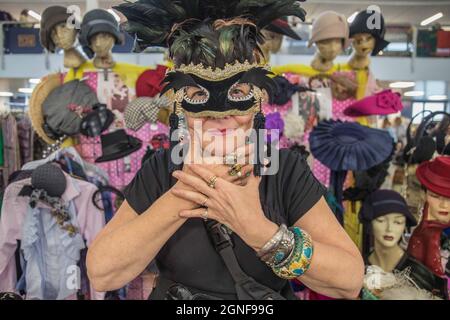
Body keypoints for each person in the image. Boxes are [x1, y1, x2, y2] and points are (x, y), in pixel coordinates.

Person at [87, 0, 364, 300]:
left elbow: (348, 280)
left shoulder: (283, 170)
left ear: (257, 99)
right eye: (198, 95)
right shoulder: (161, 169)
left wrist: (259, 231)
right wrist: (184, 194)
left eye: (238, 93)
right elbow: (103, 273)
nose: (220, 115)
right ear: (181, 106)